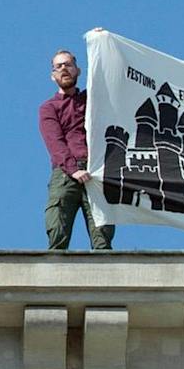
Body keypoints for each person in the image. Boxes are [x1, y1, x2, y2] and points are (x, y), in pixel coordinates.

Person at [39, 47, 113, 251]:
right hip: (65, 174)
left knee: (102, 234)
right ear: (53, 75)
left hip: (95, 171)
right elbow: (55, 143)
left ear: (78, 70)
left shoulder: (91, 100)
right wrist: (73, 169)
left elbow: (107, 76)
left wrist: (102, 45)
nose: (64, 69)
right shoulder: (49, 108)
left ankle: (106, 276)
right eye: (59, 66)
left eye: (68, 65)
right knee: (57, 231)